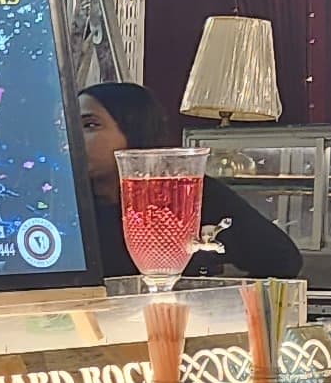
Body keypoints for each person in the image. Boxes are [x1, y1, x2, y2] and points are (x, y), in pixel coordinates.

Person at [75, 81, 304, 282]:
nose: (71, 135)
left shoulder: (187, 194)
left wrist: (216, 300)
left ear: (135, 131)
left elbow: (282, 260)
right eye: (67, 123)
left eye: (90, 125)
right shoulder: (64, 204)